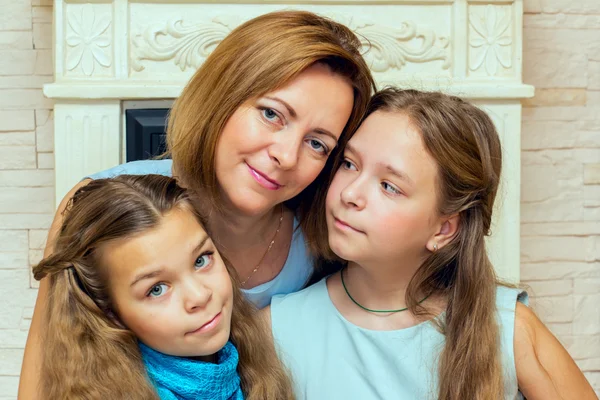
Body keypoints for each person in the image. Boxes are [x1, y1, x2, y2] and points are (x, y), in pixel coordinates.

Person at [19, 10, 375, 398]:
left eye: (317, 143)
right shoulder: (99, 204)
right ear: (223, 97)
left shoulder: (322, 236)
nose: (287, 156)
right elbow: (43, 381)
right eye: (272, 114)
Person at [267, 88, 597, 399]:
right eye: (349, 164)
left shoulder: (508, 328)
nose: (349, 194)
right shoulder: (277, 330)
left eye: (388, 186)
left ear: (444, 229)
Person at [32, 174, 294, 399]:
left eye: (201, 260)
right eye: (156, 289)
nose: (200, 296)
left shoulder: (249, 364)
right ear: (111, 313)